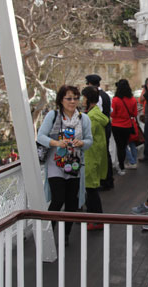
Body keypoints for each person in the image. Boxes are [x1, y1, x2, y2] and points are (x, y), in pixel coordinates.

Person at [37, 85, 93, 246]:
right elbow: (41, 136)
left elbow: (89, 141)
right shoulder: (53, 116)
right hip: (55, 163)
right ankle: (47, 235)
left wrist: (81, 142)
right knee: (57, 199)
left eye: (75, 98)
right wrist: (56, 143)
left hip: (75, 164)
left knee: (71, 202)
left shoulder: (84, 119)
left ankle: (65, 236)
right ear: (61, 100)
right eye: (69, 98)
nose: (72, 101)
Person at [81, 86, 109, 230]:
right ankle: (94, 219)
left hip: (90, 156)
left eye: (83, 97)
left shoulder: (91, 117)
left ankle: (96, 220)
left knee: (91, 189)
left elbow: (85, 136)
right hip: (95, 155)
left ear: (88, 99)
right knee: (90, 189)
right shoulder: (97, 114)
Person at [86, 74, 114, 190]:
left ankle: (104, 180)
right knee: (105, 153)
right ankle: (107, 179)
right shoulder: (106, 95)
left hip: (100, 129)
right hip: (106, 125)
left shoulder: (97, 97)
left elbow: (98, 114)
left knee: (100, 155)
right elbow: (110, 110)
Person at [111, 79, 138, 174]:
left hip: (116, 126)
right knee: (124, 145)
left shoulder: (115, 100)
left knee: (120, 147)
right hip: (127, 126)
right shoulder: (133, 99)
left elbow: (112, 114)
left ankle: (121, 167)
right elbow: (134, 113)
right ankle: (128, 164)